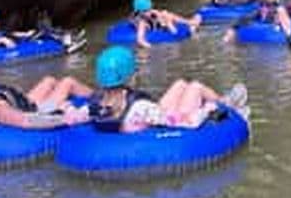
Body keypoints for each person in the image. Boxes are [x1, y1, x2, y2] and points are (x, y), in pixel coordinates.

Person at [64, 46, 248, 133]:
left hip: (147, 117)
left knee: (180, 84)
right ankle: (225, 104)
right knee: (195, 87)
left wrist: (67, 107)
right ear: (129, 76)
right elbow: (185, 123)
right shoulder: (141, 107)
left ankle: (222, 99)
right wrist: (206, 110)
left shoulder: (94, 105)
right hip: (157, 119)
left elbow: (73, 117)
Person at [130, 0, 202, 48]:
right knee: (168, 19)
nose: (150, 11)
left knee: (167, 14)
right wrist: (151, 47)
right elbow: (140, 39)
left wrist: (162, 14)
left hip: (155, 24)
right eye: (147, 11)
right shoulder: (141, 22)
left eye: (150, 9)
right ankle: (191, 27)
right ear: (140, 12)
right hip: (161, 28)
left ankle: (190, 22)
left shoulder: (148, 13)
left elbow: (155, 14)